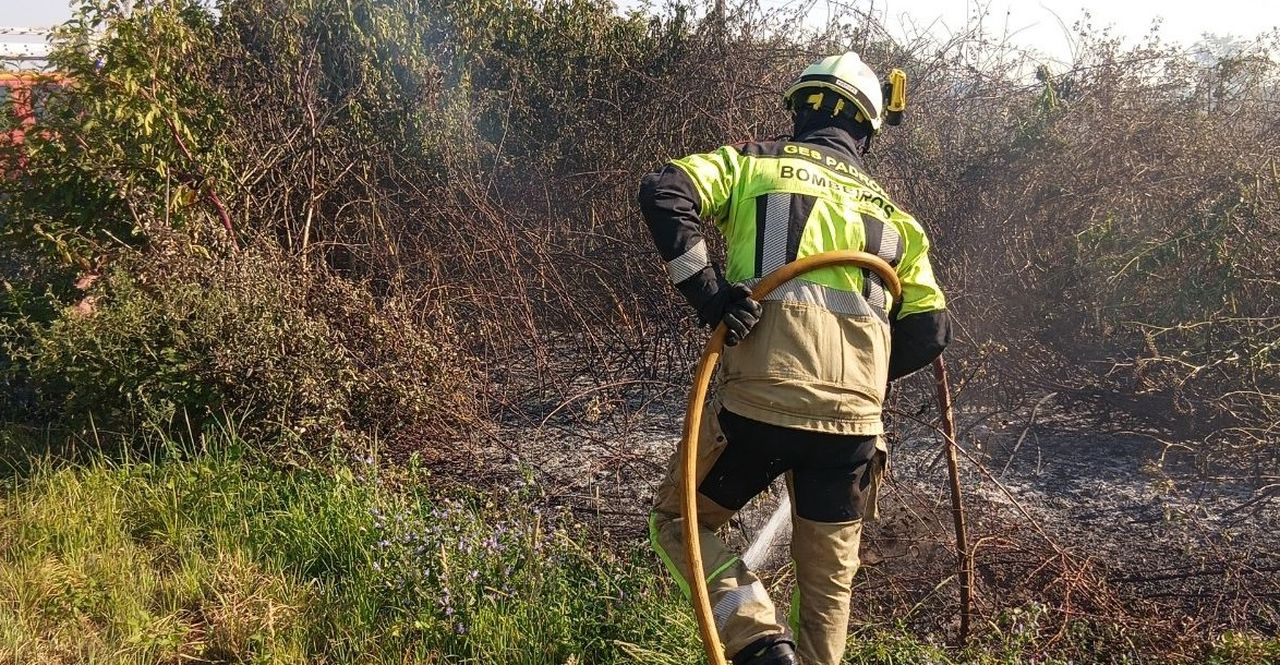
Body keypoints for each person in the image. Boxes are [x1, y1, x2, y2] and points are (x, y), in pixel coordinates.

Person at [637, 53, 950, 665]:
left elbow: (664, 191)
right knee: (828, 594)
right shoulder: (896, 221)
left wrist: (710, 296)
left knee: (680, 524)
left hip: (759, 406)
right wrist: (858, 374)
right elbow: (932, 329)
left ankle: (756, 642)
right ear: (867, 130)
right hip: (854, 431)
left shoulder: (753, 164)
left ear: (800, 110)